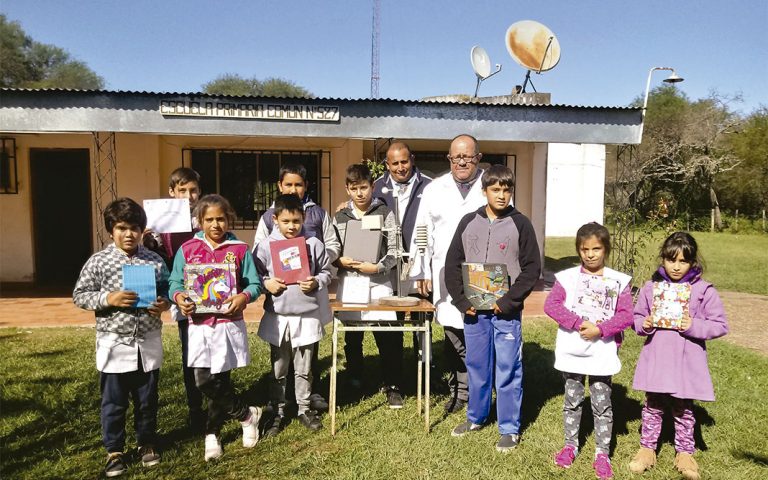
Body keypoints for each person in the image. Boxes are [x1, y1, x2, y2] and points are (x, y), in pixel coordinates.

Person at [444, 165, 541, 452]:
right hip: (474, 312)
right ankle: (476, 417)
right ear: (484, 190)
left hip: (505, 312)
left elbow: (532, 268)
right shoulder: (467, 222)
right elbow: (452, 265)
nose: (501, 195)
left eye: (506, 190)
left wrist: (508, 301)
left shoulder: (520, 224)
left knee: (509, 367)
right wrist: (462, 301)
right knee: (476, 365)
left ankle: (509, 427)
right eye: (495, 189)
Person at [73, 197, 170, 478]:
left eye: (135, 228)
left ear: (143, 230)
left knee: (147, 398)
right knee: (114, 401)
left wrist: (164, 303)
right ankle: (114, 450)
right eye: (122, 228)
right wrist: (109, 298)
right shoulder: (99, 262)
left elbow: (166, 290)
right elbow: (80, 295)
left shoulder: (153, 260)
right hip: (114, 343)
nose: (129, 234)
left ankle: (146, 442)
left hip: (147, 341)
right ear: (111, 229)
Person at [169, 194, 263, 462]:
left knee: (220, 379)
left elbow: (254, 284)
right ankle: (247, 414)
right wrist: (180, 298)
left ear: (229, 219)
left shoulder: (239, 249)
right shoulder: (187, 249)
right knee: (202, 379)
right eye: (209, 219)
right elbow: (175, 282)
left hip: (227, 324)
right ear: (199, 221)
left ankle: (212, 434)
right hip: (199, 326)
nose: (215, 224)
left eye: (220, 219)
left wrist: (243, 297)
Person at [628, 232, 728, 480]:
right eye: (671, 260)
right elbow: (636, 318)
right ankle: (647, 449)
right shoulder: (652, 288)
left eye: (683, 261)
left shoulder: (703, 290)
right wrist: (646, 323)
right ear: (663, 259)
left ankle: (685, 453)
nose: (676, 266)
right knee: (652, 406)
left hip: (686, 362)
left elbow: (719, 325)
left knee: (683, 409)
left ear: (692, 262)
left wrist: (693, 325)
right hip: (658, 358)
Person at [544, 222, 633, 479]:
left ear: (606, 249)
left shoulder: (618, 281)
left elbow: (627, 314)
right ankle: (570, 445)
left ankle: (602, 453)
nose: (590, 254)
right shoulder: (567, 278)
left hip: (601, 353)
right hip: (573, 351)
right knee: (572, 400)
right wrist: (575, 322)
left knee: (602, 403)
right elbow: (552, 305)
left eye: (596, 248)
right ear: (578, 250)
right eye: (585, 249)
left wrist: (601, 329)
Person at [252, 162, 339, 413]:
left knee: (307, 357)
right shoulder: (267, 230)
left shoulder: (317, 221)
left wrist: (314, 274)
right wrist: (267, 283)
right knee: (280, 360)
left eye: (298, 184)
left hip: (307, 301)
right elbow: (257, 265)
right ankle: (279, 404)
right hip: (280, 307)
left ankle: (307, 401)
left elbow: (328, 258)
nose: (291, 226)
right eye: (288, 184)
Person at [410, 134, 488, 413]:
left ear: (478, 157)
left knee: (481, 332)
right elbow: (422, 231)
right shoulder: (435, 189)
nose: (462, 162)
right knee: (453, 333)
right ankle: (460, 392)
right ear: (449, 159)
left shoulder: (489, 185)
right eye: (457, 157)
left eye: (468, 156)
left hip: (483, 274)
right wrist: (420, 270)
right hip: (445, 271)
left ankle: (481, 392)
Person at [333, 163, 404, 408]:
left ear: (372, 186)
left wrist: (378, 268)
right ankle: (354, 378)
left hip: (379, 282)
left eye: (364, 187)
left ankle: (393, 384)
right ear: (347, 189)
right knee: (352, 335)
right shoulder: (340, 216)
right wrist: (338, 260)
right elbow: (332, 247)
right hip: (351, 282)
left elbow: (396, 251)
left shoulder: (385, 213)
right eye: (354, 188)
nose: (360, 193)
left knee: (388, 334)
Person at [143, 166, 206, 432]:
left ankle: (216, 399)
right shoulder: (159, 225)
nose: (189, 196)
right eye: (182, 191)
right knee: (189, 351)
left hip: (208, 289)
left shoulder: (204, 218)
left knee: (212, 350)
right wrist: (147, 240)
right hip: (181, 294)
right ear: (172, 192)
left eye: (193, 191)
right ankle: (195, 408)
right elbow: (158, 261)